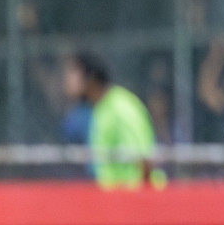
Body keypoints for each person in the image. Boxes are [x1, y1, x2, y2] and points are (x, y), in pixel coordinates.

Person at [61, 52, 159, 189]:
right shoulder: (100, 109)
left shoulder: (120, 106)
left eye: (73, 72)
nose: (66, 79)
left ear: (91, 77)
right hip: (115, 198)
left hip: (133, 196)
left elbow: (144, 161)